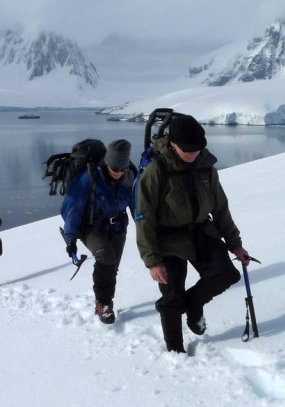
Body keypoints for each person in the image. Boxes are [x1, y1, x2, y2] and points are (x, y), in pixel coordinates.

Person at [135, 113, 251, 354]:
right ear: (173, 143)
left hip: (200, 231)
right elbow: (143, 218)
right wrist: (152, 260)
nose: (192, 154)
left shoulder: (206, 167)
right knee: (172, 297)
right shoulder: (156, 170)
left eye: (196, 150)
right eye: (187, 150)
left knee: (226, 274)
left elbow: (220, 209)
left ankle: (194, 304)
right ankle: (176, 352)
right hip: (166, 238)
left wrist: (235, 244)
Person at [61, 139, 136, 324]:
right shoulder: (89, 177)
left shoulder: (131, 174)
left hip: (118, 224)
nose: (118, 173)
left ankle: (106, 301)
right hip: (91, 226)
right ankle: (102, 304)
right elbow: (72, 207)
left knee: (112, 267)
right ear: (106, 163)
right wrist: (70, 238)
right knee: (106, 258)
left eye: (122, 170)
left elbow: (136, 203)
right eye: (114, 169)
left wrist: (145, 224)